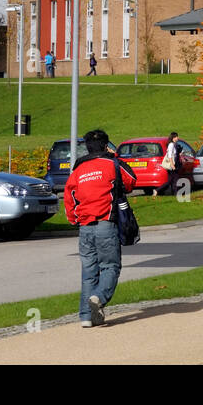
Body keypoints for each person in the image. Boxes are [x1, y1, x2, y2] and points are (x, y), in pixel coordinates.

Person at [64, 129, 136, 327]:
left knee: (89, 272)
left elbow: (69, 196)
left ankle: (86, 317)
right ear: (106, 145)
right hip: (106, 223)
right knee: (111, 266)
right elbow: (131, 181)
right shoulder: (112, 163)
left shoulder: (78, 169)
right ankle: (99, 297)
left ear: (86, 147)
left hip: (85, 227)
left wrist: (74, 219)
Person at [161, 131, 183, 195]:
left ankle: (175, 193)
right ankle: (157, 190)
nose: (177, 138)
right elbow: (170, 155)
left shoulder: (173, 144)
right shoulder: (171, 145)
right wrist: (172, 165)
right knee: (173, 180)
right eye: (176, 137)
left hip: (174, 164)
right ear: (173, 138)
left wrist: (179, 153)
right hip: (172, 165)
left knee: (172, 180)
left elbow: (174, 154)